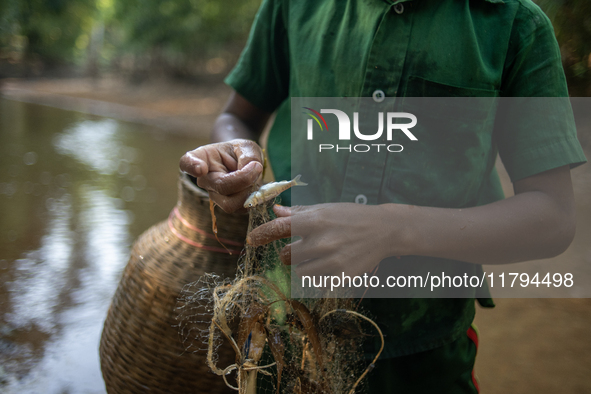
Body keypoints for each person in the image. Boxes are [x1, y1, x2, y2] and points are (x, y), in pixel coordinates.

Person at [180, 0, 587, 392]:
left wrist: (393, 229)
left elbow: (552, 216)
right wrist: (235, 156)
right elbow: (238, 116)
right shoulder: (293, 5)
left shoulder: (513, 22)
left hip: (423, 348)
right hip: (280, 327)